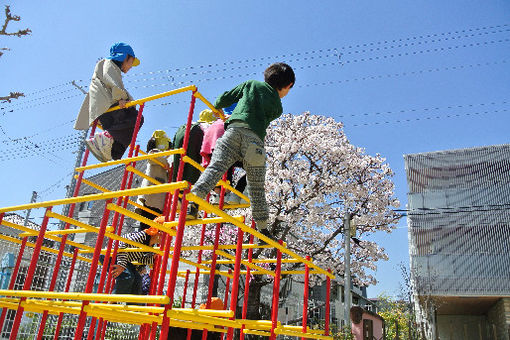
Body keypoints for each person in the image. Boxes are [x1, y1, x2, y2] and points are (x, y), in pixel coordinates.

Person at [186, 63, 295, 242]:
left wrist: (219, 107)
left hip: (233, 132)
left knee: (215, 169)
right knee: (256, 186)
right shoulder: (278, 107)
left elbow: (224, 98)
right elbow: (266, 114)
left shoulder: (251, 84)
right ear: (287, 86)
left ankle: (193, 202)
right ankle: (263, 228)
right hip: (254, 143)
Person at [74, 42, 143, 162]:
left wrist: (128, 100)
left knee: (126, 133)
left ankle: (111, 150)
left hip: (105, 110)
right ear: (124, 57)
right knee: (137, 118)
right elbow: (111, 80)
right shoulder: (108, 64)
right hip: (108, 107)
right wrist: (120, 98)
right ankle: (105, 138)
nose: (131, 66)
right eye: (131, 62)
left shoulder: (109, 69)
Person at [136, 130, 173, 230]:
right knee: (146, 229)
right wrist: (167, 163)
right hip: (150, 199)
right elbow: (153, 155)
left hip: (157, 202)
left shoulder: (163, 161)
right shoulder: (155, 153)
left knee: (153, 230)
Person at [109, 227, 162, 295]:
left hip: (125, 260)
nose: (170, 239)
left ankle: (132, 304)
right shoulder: (143, 236)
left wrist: (153, 258)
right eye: (168, 235)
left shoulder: (150, 245)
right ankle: (111, 302)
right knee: (128, 277)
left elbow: (139, 258)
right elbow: (122, 244)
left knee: (137, 281)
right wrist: (121, 264)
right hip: (113, 255)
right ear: (159, 233)